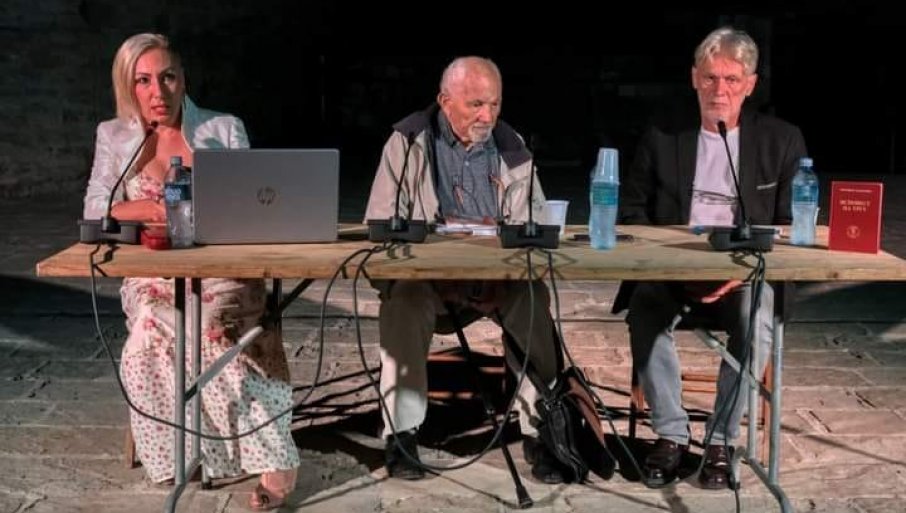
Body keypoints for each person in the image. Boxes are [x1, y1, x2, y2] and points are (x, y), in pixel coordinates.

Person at [82, 33, 299, 510]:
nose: (157, 91)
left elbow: (250, 204)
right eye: (143, 81)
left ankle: (274, 457)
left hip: (220, 271)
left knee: (212, 328)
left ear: (183, 79)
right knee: (147, 333)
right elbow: (96, 208)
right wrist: (146, 207)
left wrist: (187, 209)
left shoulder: (223, 128)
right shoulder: (114, 135)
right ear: (128, 86)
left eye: (167, 77)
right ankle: (184, 454)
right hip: (153, 275)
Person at [613, 27, 807, 489]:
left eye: (732, 79)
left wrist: (736, 275)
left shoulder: (781, 140)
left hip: (741, 277)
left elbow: (791, 226)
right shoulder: (662, 136)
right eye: (710, 77)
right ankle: (671, 434)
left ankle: (720, 440)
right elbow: (632, 212)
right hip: (672, 272)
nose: (720, 89)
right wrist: (672, 265)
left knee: (758, 313)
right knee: (644, 307)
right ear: (694, 79)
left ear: (750, 85)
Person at [364, 56, 566, 483]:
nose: (487, 116)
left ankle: (541, 428)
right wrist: (438, 277)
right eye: (476, 104)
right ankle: (402, 434)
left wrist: (504, 277)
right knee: (403, 301)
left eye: (494, 104)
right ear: (445, 101)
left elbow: (533, 227)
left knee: (533, 298)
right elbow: (382, 231)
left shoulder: (512, 146)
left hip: (496, 282)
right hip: (429, 283)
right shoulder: (408, 142)